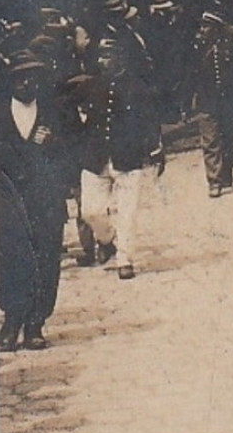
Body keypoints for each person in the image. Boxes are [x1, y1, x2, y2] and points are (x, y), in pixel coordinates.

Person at [0, 51, 77, 351]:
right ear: (11, 81)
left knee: (45, 261)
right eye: (20, 77)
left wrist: (55, 143)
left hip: (47, 203)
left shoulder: (54, 114)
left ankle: (35, 324)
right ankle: (12, 320)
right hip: (11, 203)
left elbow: (72, 152)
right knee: (11, 260)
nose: (26, 82)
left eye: (32, 77)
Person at [68, 37, 165, 281]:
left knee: (128, 212)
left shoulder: (137, 87)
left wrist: (155, 149)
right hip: (95, 157)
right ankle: (107, 239)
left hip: (128, 158)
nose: (102, 60)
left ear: (120, 57)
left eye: (107, 55)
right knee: (90, 211)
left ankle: (125, 259)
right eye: (100, 56)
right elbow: (70, 113)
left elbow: (149, 121)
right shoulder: (90, 85)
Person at [188, 6, 233, 198]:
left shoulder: (232, 46)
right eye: (202, 27)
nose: (202, 30)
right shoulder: (197, 48)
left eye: (207, 27)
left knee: (230, 139)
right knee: (210, 141)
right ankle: (214, 181)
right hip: (207, 101)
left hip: (230, 100)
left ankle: (226, 172)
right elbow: (190, 75)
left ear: (216, 28)